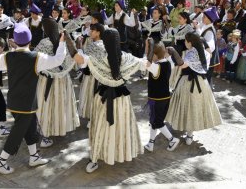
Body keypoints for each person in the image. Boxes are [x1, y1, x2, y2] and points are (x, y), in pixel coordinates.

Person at [0, 22, 67, 174]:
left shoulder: (8, 56)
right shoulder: (37, 57)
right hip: (26, 103)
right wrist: (63, 42)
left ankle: (34, 156)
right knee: (18, 133)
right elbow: (58, 60)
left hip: (15, 101)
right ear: (30, 41)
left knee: (31, 128)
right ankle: (1, 161)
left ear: (15, 41)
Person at [73, 29, 146, 173]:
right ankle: (121, 152)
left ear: (104, 42)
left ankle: (94, 159)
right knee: (122, 126)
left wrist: (72, 43)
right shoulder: (127, 57)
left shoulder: (99, 57)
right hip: (122, 99)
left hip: (103, 98)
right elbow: (145, 64)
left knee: (100, 126)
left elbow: (80, 60)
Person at [165, 32, 222, 145]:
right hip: (202, 83)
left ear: (190, 42)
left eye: (186, 41)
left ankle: (187, 133)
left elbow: (182, 65)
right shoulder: (204, 52)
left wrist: (173, 51)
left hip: (188, 83)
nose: (185, 43)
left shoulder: (192, 53)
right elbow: (210, 54)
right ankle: (190, 135)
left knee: (187, 107)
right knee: (195, 108)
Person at [35, 18, 80, 147]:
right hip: (62, 80)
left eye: (43, 26)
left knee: (46, 106)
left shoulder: (44, 43)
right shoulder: (63, 42)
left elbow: (35, 59)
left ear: (46, 28)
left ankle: (45, 134)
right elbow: (71, 59)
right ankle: (59, 127)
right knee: (60, 104)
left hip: (46, 80)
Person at [144, 40, 180, 152]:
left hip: (155, 99)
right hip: (165, 98)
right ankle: (151, 142)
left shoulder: (155, 67)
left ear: (154, 54)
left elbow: (146, 63)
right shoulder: (169, 63)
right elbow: (165, 57)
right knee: (153, 120)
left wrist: (149, 48)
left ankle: (172, 139)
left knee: (157, 121)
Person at [77, 23, 105, 126]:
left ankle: (93, 118)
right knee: (92, 96)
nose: (90, 32)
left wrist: (79, 46)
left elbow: (83, 61)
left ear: (98, 33)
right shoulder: (101, 44)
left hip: (93, 76)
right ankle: (93, 117)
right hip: (96, 76)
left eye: (92, 31)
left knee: (91, 95)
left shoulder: (96, 45)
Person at [198, 6, 220, 86]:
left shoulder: (210, 31)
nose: (203, 18)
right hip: (207, 58)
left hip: (209, 60)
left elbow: (211, 46)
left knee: (206, 80)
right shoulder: (206, 26)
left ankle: (208, 96)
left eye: (204, 17)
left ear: (209, 19)